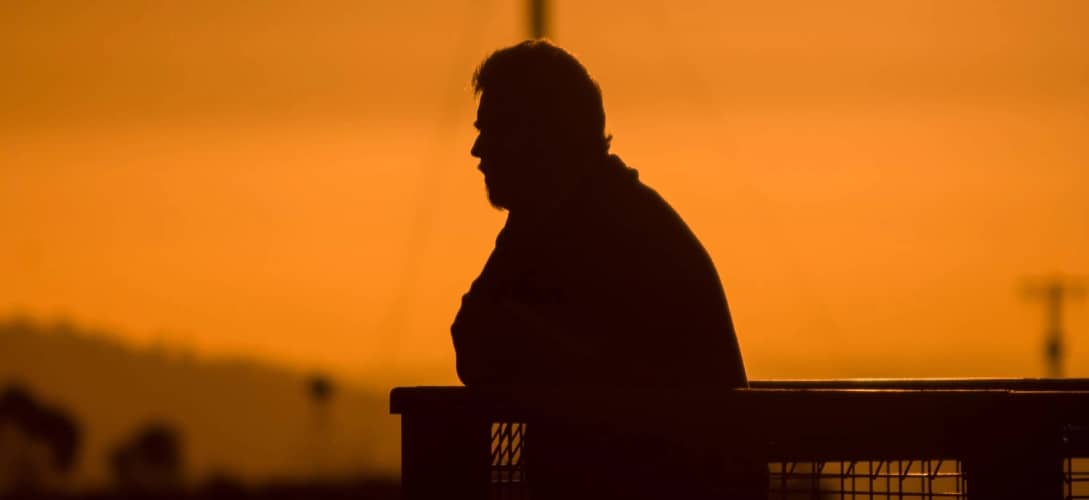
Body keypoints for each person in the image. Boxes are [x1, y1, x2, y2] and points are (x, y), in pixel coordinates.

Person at [451, 40, 764, 499]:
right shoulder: (552, 218)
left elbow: (497, 344)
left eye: (496, 129)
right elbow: (475, 340)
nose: (478, 149)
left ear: (544, 136)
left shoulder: (612, 226)